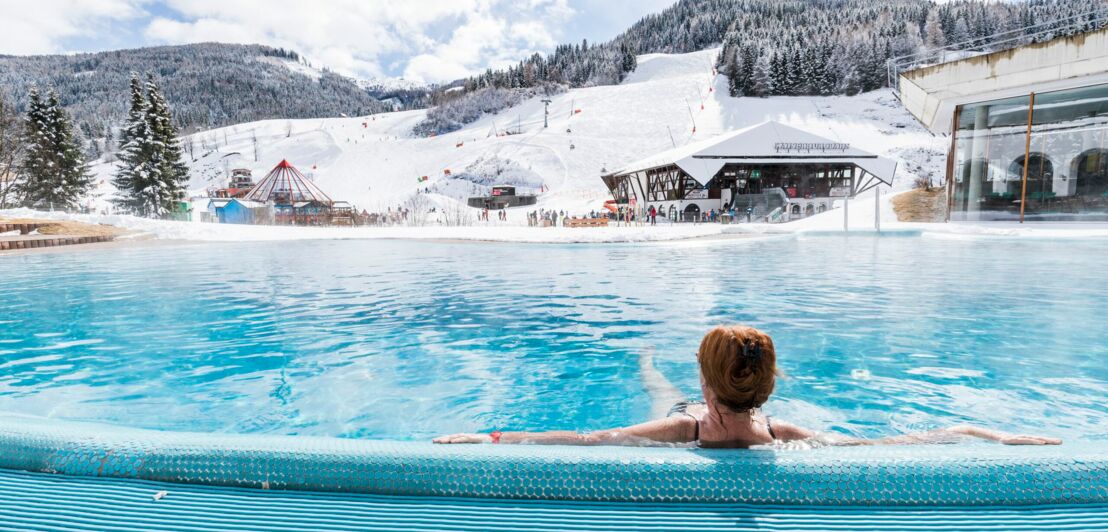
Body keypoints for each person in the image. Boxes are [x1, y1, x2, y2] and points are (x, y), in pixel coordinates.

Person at [434, 326, 1062, 448]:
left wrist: (492, 437)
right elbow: (885, 444)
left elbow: (585, 439)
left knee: (655, 386)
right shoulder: (781, 432)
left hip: (685, 413)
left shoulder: (681, 426)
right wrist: (982, 431)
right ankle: (649, 362)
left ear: (707, 383)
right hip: (732, 411)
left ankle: (646, 359)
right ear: (764, 388)